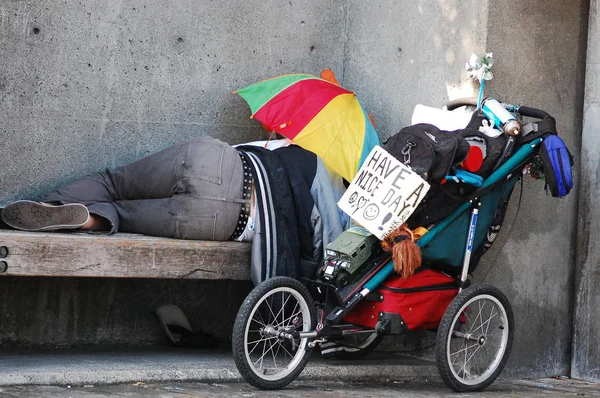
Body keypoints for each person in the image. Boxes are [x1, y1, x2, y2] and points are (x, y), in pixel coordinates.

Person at [1, 136, 351, 285]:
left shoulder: (308, 153)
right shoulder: (339, 199)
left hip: (216, 159)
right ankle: (91, 220)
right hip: (221, 216)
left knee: (114, 181)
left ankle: (49, 205)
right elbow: (329, 258)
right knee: (124, 213)